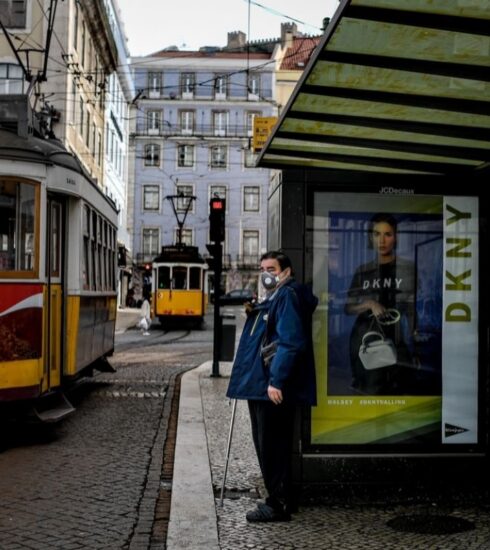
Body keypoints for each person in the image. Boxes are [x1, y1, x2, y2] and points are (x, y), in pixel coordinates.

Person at [226, 250, 317, 523]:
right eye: (263, 268)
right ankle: (282, 498)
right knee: (270, 445)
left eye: (272, 269)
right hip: (263, 385)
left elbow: (290, 342)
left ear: (286, 272)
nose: (266, 274)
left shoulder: (286, 296)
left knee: (272, 447)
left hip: (270, 388)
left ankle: (277, 504)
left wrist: (276, 381)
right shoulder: (275, 296)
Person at [345, 213, 417, 395]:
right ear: (371, 237)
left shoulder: (407, 269)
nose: (382, 240)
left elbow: (411, 307)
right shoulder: (363, 271)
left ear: (396, 237)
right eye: (377, 234)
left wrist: (414, 340)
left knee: (400, 390)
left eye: (388, 234)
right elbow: (348, 308)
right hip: (368, 338)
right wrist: (369, 304)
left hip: (397, 337)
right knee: (371, 389)